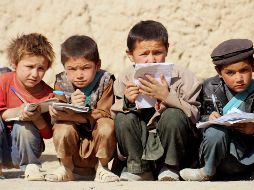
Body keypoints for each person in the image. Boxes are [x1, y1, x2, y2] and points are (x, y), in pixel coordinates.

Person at [111, 20, 202, 181]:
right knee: (123, 118)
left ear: (167, 49)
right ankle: (138, 169)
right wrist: (129, 102)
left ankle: (170, 167)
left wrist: (167, 96)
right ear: (130, 55)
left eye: (157, 52)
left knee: (174, 115)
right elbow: (114, 118)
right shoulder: (125, 78)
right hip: (140, 143)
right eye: (144, 54)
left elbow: (195, 115)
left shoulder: (183, 76)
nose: (151, 60)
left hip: (175, 146)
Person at [45, 35, 119, 182]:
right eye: (71, 69)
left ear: (97, 65)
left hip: (97, 147)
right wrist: (58, 110)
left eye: (85, 68)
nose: (79, 75)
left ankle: (102, 168)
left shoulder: (105, 80)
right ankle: (66, 169)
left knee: (107, 124)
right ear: (64, 67)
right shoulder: (61, 82)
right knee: (62, 127)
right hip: (72, 151)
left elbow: (105, 112)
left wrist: (73, 115)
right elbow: (58, 113)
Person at [180, 39, 254, 181]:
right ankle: (207, 172)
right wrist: (208, 119)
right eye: (230, 73)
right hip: (223, 152)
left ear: (253, 66)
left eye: (244, 70)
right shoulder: (210, 87)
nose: (239, 78)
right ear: (219, 72)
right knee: (215, 132)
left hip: (250, 153)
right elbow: (198, 120)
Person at [0, 33, 55, 180]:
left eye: (41, 68)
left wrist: (36, 118)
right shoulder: (3, 82)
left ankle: (32, 167)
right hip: (2, 145)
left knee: (24, 125)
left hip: (23, 151)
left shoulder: (48, 95)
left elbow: (48, 135)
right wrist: (17, 111)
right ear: (14, 63)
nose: (34, 74)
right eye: (29, 66)